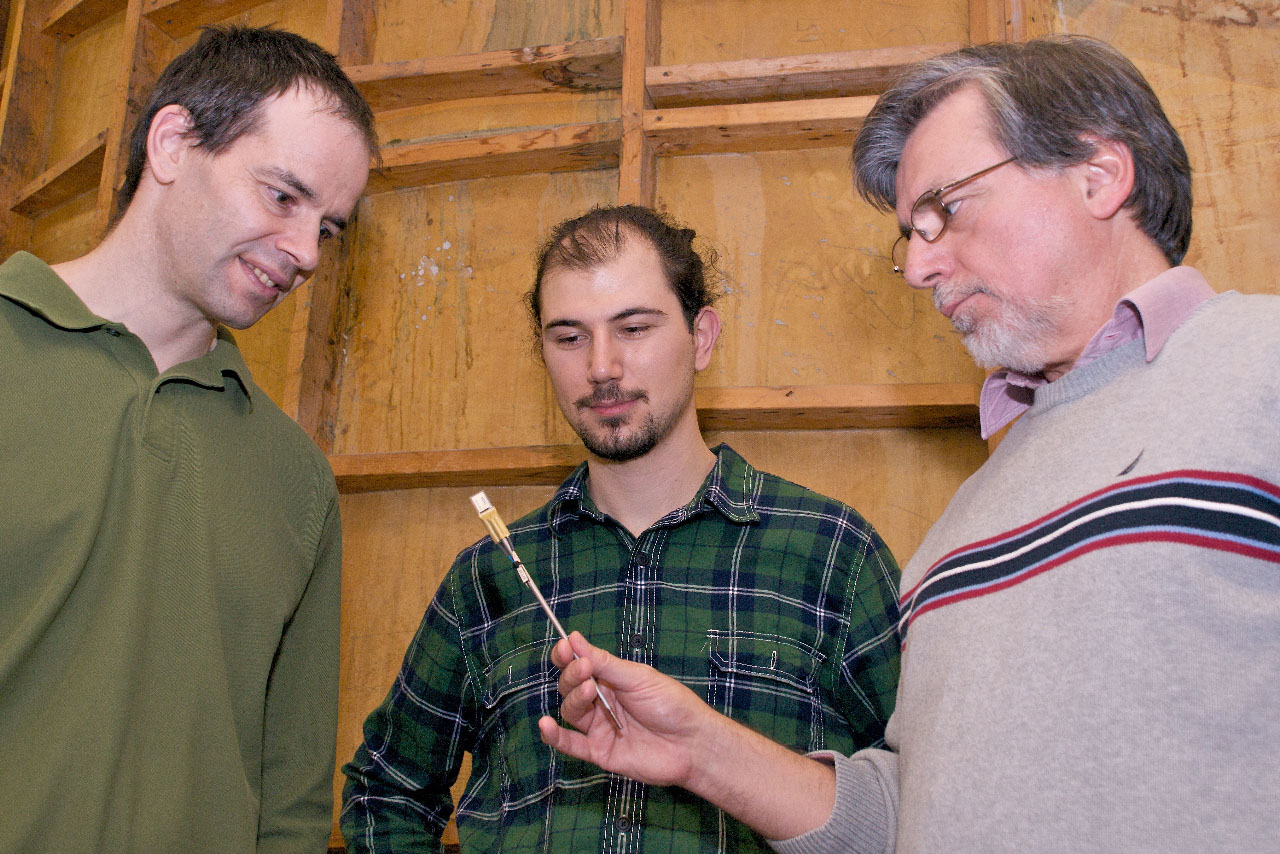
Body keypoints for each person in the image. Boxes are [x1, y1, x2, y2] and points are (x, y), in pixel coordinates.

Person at [538, 36, 1280, 853]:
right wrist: (703, 753)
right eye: (911, 234)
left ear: (1099, 176)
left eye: (946, 211)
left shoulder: (1261, 368)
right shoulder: (958, 528)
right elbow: (911, 812)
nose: (920, 266)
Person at [340, 205, 903, 853]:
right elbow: (385, 790)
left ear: (702, 337)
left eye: (633, 328)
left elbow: (926, 788)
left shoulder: (831, 550)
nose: (601, 366)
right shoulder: (489, 574)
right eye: (569, 337)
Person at [0, 26, 376, 853]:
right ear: (171, 142)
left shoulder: (297, 482)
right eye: (283, 196)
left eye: (330, 227)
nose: (307, 253)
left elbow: (294, 800)